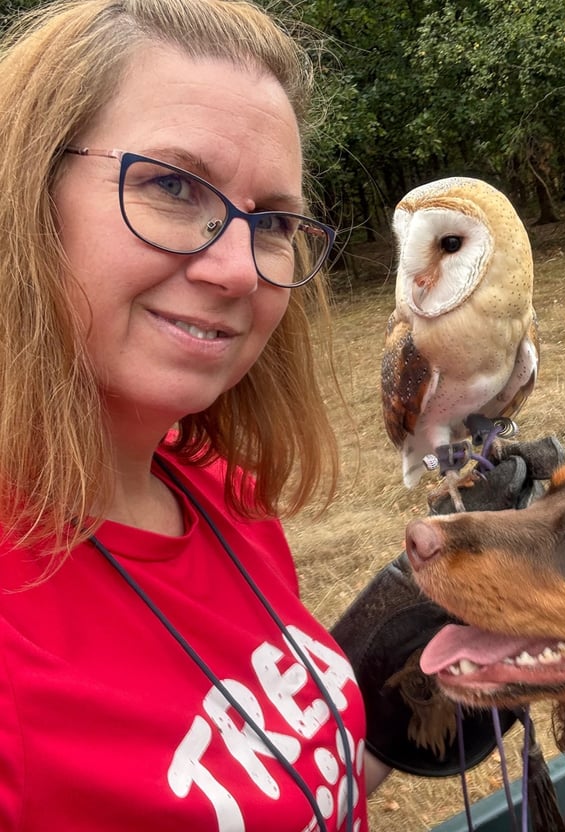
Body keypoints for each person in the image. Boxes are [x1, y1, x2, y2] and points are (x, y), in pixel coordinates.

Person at [0, 0, 390, 829]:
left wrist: (399, 705)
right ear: (26, 195)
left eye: (272, 221)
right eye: (173, 186)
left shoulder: (223, 492)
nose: (238, 269)